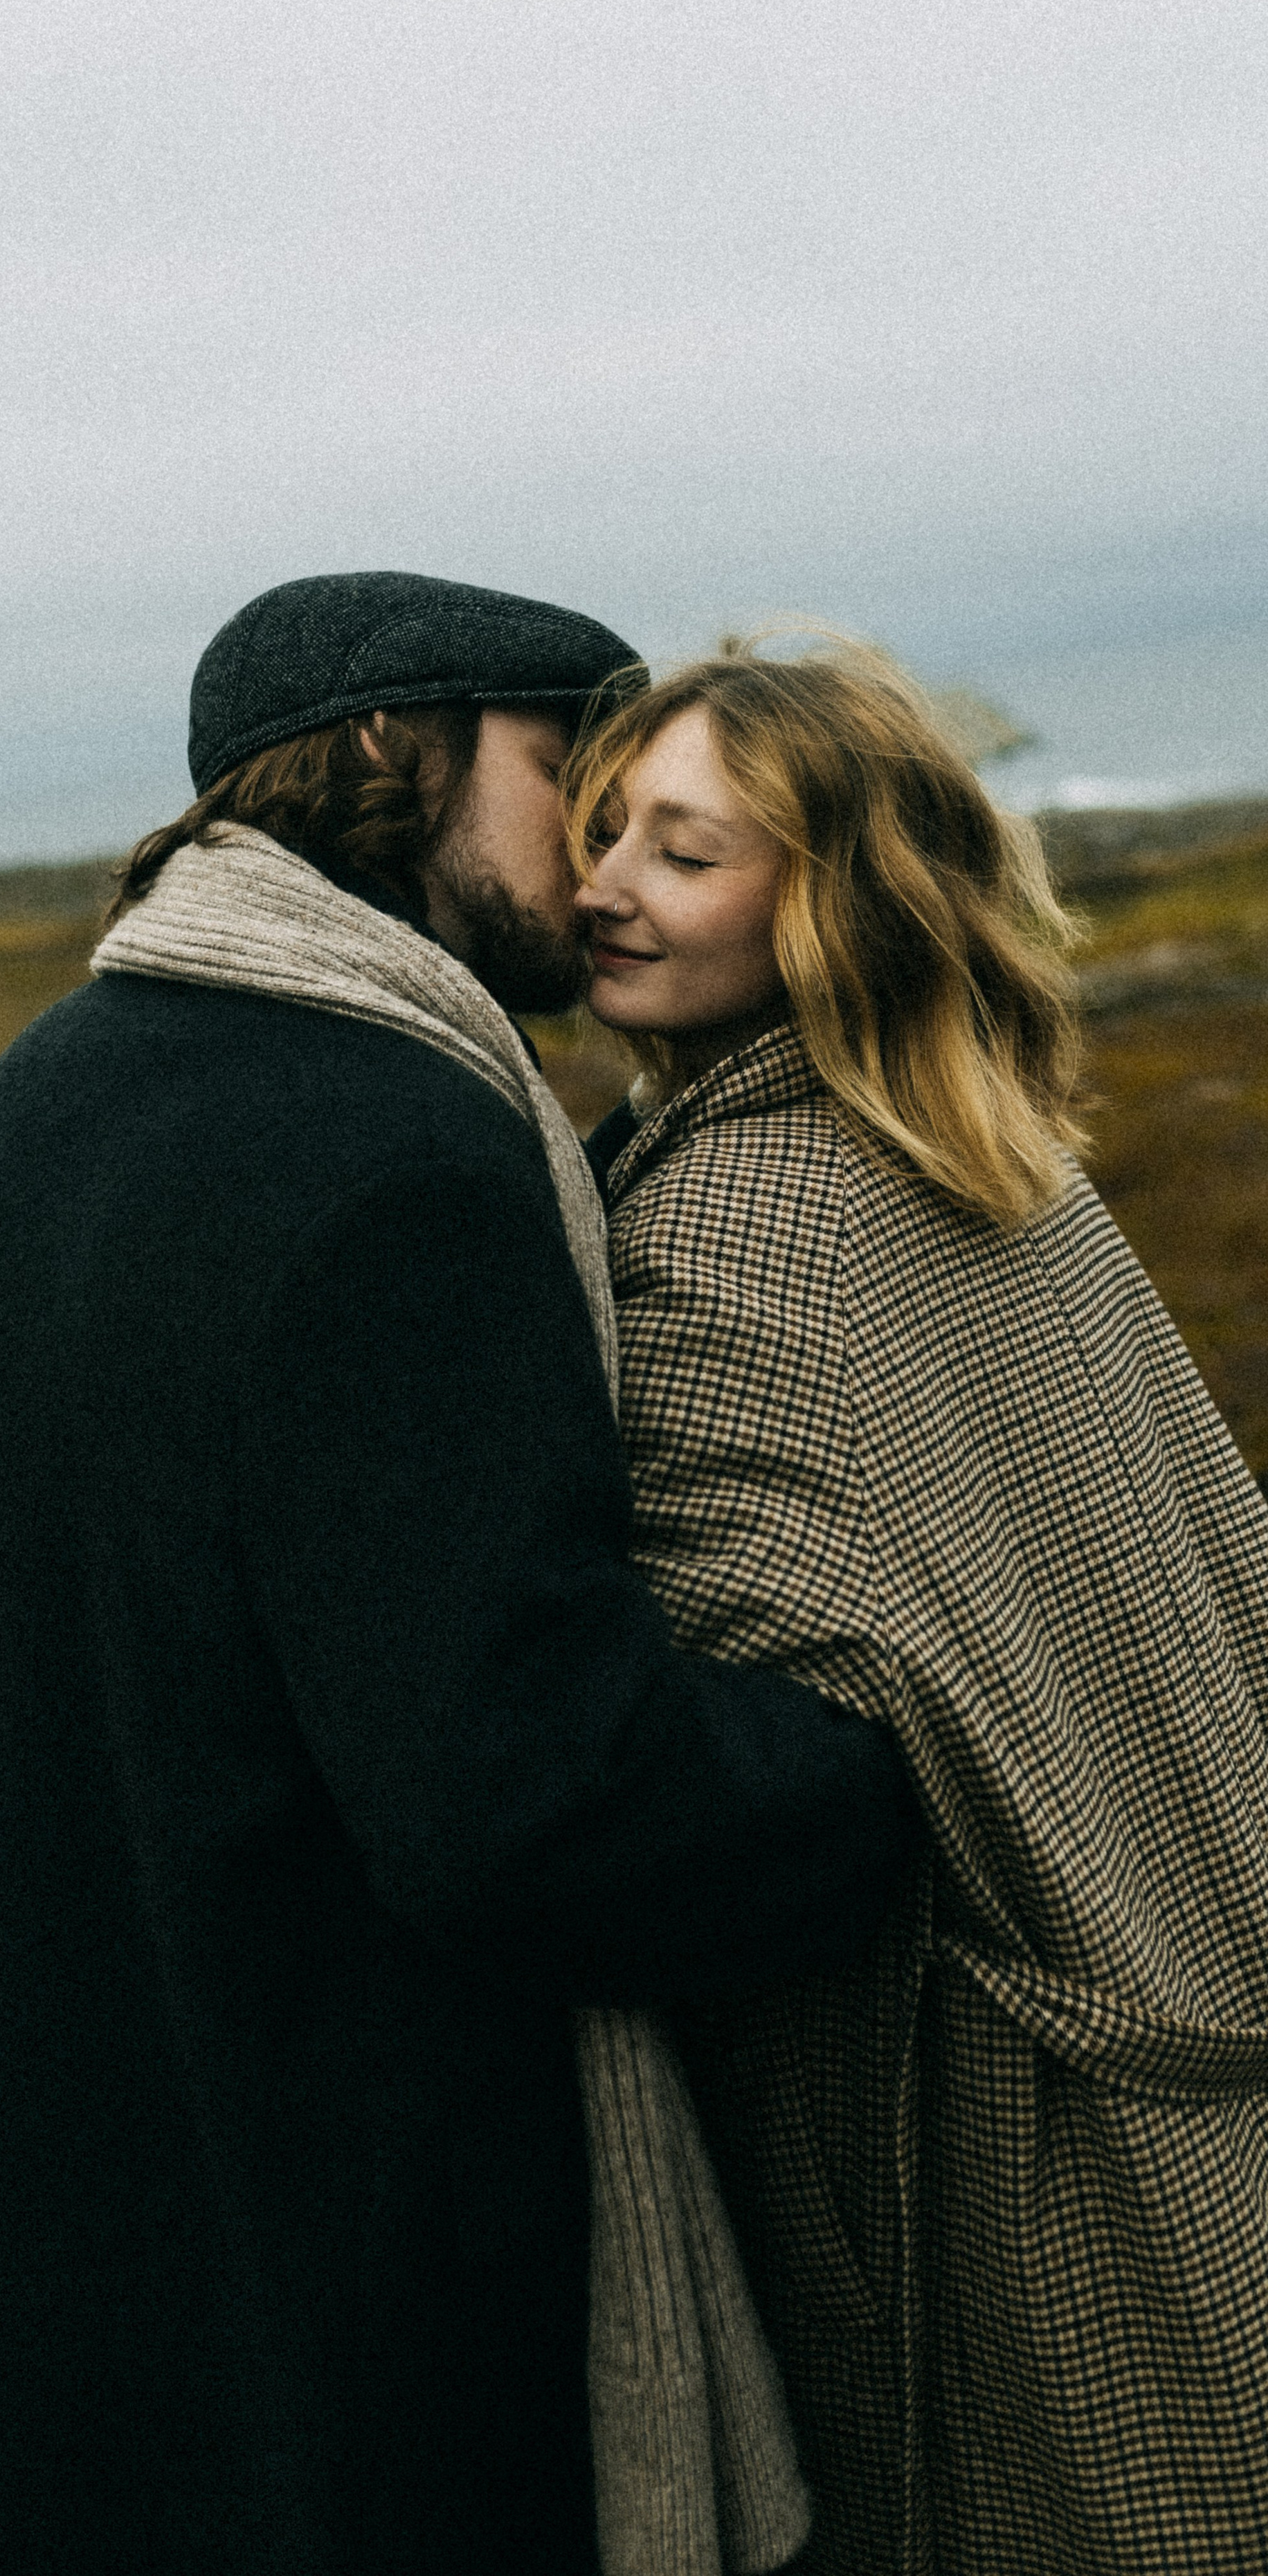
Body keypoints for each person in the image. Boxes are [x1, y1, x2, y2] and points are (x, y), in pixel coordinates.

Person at [0, 572, 921, 2575]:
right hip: (333, 2233)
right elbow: (530, 1800)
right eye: (562, 775)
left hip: (65, 2176)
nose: (596, 854)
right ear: (384, 753)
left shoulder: (58, 1082)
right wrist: (877, 1779)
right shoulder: (396, 1151)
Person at [572, 637, 1268, 2576]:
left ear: (833, 900)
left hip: (1011, 2117)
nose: (605, 881)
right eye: (605, 825)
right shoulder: (1007, 1160)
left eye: (686, 853)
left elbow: (733, 1737)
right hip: (1203, 1997)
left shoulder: (725, 1227)